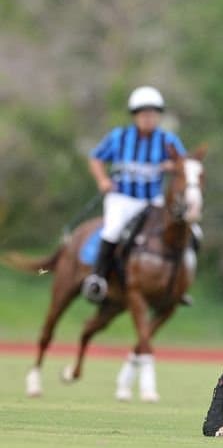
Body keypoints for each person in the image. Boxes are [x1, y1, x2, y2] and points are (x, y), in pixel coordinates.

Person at [81, 86, 187, 303]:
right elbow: (96, 158)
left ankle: (178, 284)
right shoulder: (119, 137)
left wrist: (173, 166)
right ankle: (97, 278)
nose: (148, 118)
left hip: (152, 200)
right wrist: (102, 180)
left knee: (180, 231)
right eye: (143, 113)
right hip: (122, 199)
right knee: (112, 230)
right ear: (135, 116)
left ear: (158, 116)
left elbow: (185, 166)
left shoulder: (168, 141)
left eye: (153, 113)